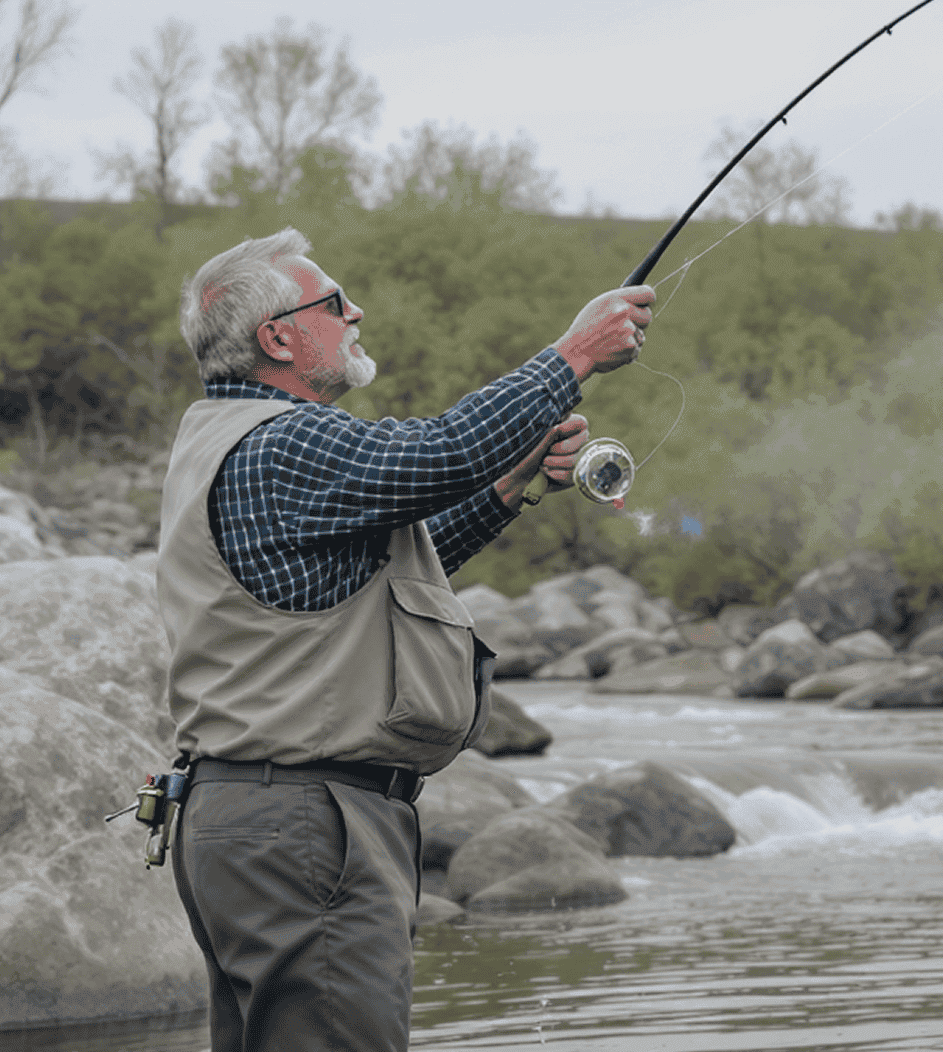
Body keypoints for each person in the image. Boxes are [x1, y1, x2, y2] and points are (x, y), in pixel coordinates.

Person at [156, 227, 653, 1052]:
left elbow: (383, 576)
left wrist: (511, 483)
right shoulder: (284, 444)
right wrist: (574, 354)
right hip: (304, 826)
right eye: (332, 302)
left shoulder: (227, 442)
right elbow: (440, 451)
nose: (356, 311)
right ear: (276, 339)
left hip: (256, 821)